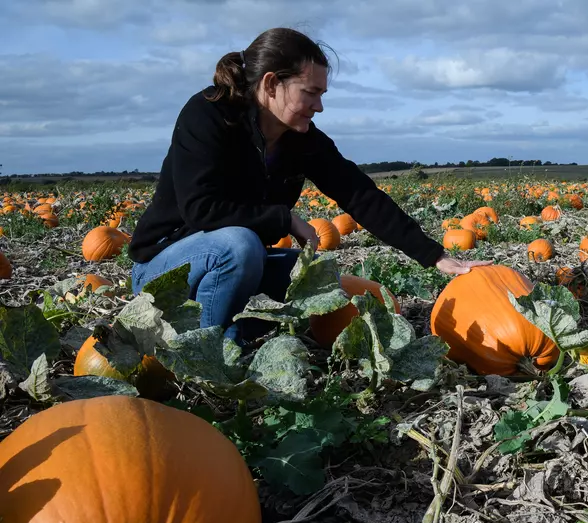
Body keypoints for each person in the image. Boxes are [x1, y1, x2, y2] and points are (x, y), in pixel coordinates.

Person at [128, 27, 490, 343]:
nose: (318, 106)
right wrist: (283, 219)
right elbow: (200, 209)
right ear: (272, 84)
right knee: (238, 245)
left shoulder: (300, 139)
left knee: (320, 279)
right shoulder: (209, 114)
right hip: (165, 267)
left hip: (236, 259)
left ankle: (233, 325)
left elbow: (359, 193)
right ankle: (209, 349)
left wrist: (435, 256)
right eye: (310, 93)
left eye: (322, 95)